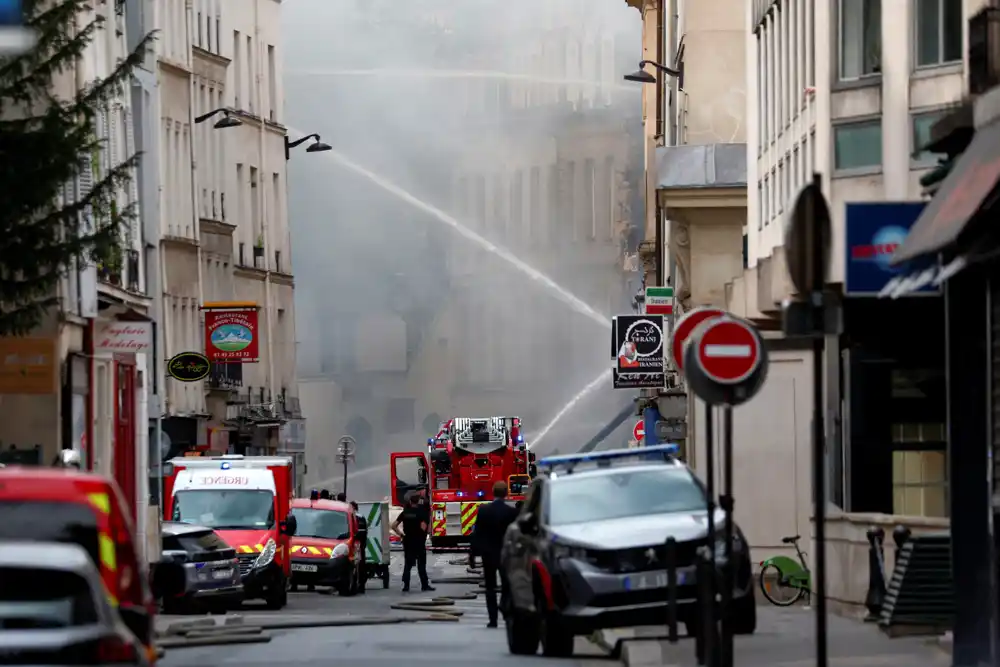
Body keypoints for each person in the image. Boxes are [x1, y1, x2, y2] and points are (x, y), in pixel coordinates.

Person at [469, 481, 519, 628]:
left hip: (488, 554)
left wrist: (472, 554)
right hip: (506, 555)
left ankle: (493, 619)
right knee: (507, 585)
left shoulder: (484, 511)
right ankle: (505, 606)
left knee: (490, 587)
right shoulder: (512, 513)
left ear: (493, 492)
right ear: (506, 493)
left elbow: (477, 534)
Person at [391, 492, 434, 593]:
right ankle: (424, 585)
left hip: (408, 541)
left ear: (410, 501)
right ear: (418, 501)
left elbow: (394, 526)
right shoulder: (421, 512)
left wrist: (401, 535)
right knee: (421, 565)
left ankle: (406, 586)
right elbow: (425, 529)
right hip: (419, 541)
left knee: (408, 564)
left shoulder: (405, 512)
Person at [350, 500, 368, 594]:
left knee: (354, 565)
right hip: (360, 546)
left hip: (353, 545)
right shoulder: (362, 517)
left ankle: (356, 584)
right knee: (361, 566)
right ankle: (361, 585)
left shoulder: (350, 517)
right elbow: (365, 533)